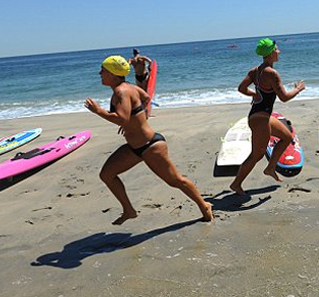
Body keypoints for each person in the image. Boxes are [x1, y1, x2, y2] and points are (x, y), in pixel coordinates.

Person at [85, 56, 213, 224]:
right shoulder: (130, 88)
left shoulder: (121, 91)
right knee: (107, 174)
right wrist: (134, 121)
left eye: (103, 70)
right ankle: (129, 211)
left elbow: (122, 118)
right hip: (135, 148)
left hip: (150, 147)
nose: (99, 73)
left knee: (175, 180)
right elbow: (145, 99)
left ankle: (204, 205)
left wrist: (98, 111)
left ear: (113, 74)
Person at [230, 39, 306, 195]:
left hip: (258, 116)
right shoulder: (272, 73)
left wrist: (254, 94)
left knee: (287, 137)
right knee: (256, 155)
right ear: (271, 53)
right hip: (261, 120)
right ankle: (236, 184)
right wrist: (298, 89)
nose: (279, 52)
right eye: (276, 49)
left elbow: (241, 88)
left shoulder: (255, 71)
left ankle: (271, 168)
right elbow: (284, 97)